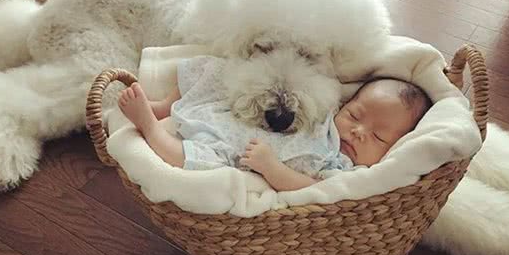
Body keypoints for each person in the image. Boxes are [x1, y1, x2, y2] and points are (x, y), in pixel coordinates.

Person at [118, 57, 431, 191]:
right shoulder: (325, 113)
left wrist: (272, 168)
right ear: (344, 105)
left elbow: (313, 189)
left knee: (197, 161)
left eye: (378, 137)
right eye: (355, 116)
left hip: (235, 149)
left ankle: (150, 127)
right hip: (234, 112)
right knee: (215, 69)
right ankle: (163, 107)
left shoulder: (341, 167)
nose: (358, 132)